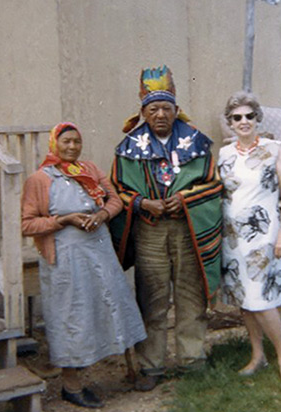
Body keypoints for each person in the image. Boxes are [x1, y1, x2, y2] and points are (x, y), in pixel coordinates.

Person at [111, 65, 222, 391]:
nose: (160, 114)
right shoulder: (128, 148)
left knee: (191, 296)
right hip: (150, 231)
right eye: (153, 109)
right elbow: (117, 189)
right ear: (143, 112)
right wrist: (143, 203)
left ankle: (192, 360)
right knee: (152, 298)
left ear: (176, 110)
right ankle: (151, 366)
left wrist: (185, 199)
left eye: (166, 108)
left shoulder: (197, 143)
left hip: (188, 230)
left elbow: (214, 184)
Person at [21, 122, 147, 407]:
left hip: (99, 250)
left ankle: (131, 369)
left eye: (76, 141)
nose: (72, 147)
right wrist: (64, 220)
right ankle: (72, 386)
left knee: (113, 304)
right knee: (72, 314)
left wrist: (102, 215)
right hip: (66, 257)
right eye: (66, 141)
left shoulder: (89, 170)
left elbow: (115, 200)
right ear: (54, 144)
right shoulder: (40, 179)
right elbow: (27, 224)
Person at [218, 91, 281, 390]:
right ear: (230, 122)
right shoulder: (224, 154)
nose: (243, 121)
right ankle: (257, 356)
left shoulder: (273, 149)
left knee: (262, 300)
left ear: (257, 118)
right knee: (245, 299)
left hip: (264, 236)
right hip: (232, 238)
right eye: (237, 117)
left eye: (249, 116)